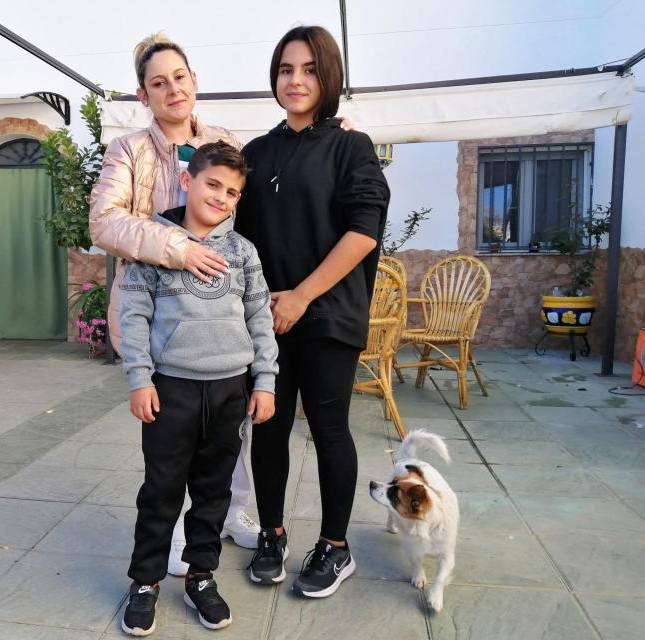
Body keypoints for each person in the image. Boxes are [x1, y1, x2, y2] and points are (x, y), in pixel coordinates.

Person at [89, 34, 261, 575]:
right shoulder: (129, 152)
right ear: (144, 95)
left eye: (179, 77)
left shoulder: (224, 140)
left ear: (194, 81)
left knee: (228, 435)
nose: (172, 89)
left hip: (220, 314)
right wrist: (176, 248)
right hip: (161, 318)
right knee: (172, 441)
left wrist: (334, 131)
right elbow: (104, 221)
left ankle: (229, 515)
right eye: (158, 83)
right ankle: (171, 539)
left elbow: (262, 185)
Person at [235, 25, 390, 598]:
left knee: (328, 430)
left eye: (308, 69)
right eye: (284, 69)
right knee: (269, 427)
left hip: (327, 317)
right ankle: (271, 534)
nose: (295, 81)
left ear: (329, 76)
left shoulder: (351, 146)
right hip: (269, 319)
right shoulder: (256, 154)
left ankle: (335, 545)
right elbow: (238, 234)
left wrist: (302, 295)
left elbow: (363, 233)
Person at [117, 142, 278, 635]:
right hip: (172, 390)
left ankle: (200, 575)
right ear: (188, 181)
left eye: (232, 192)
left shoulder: (243, 252)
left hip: (230, 390)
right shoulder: (153, 245)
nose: (222, 198)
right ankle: (145, 581)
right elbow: (134, 315)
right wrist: (140, 379)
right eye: (213, 185)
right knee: (161, 490)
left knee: (214, 492)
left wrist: (265, 381)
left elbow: (260, 319)